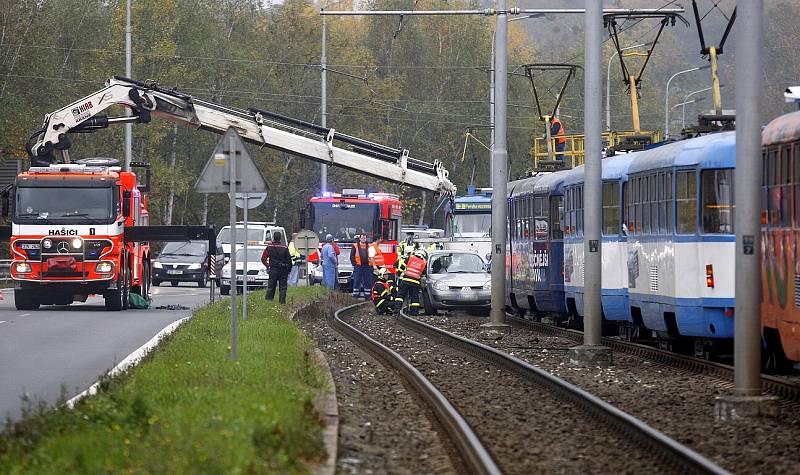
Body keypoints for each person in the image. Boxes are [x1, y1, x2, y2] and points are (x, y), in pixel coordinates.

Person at [261, 231, 292, 304]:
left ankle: (268, 302)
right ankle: (282, 303)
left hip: (273, 269)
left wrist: (268, 266)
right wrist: (289, 270)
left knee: (271, 287)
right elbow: (289, 260)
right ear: (280, 238)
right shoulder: (284, 247)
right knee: (283, 288)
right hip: (283, 270)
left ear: (273, 237)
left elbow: (263, 258)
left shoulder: (269, 247)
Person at [395, 247, 428, 316]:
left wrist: (398, 275)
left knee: (400, 296)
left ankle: (397, 310)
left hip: (405, 281)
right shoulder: (424, 263)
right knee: (414, 298)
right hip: (415, 283)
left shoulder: (410, 258)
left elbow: (402, 268)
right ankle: (414, 313)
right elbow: (424, 274)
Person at [349, 235, 371, 299]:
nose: (363, 239)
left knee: (367, 281)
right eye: (362, 238)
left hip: (367, 266)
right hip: (358, 266)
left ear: (366, 238)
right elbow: (352, 256)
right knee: (357, 281)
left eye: (364, 238)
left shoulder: (370, 246)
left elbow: (372, 255)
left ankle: (367, 296)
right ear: (360, 239)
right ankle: (355, 296)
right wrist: (354, 264)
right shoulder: (355, 246)